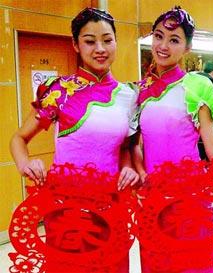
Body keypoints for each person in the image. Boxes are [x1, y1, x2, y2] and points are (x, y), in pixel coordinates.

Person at [9, 7, 139, 272]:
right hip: (66, 211)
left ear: (116, 40)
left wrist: (127, 167)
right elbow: (19, 139)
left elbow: (125, 146)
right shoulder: (59, 90)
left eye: (107, 39)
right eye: (89, 41)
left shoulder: (129, 95)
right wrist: (26, 165)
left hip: (110, 207)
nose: (100, 48)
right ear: (76, 45)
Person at [132, 6, 213, 273]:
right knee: (156, 264)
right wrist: (140, 174)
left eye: (174, 40)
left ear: (187, 47)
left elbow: (211, 144)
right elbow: (135, 145)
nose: (164, 46)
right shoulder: (140, 91)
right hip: (152, 199)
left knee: (191, 266)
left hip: (189, 200)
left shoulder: (197, 86)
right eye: (158, 36)